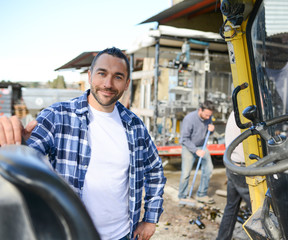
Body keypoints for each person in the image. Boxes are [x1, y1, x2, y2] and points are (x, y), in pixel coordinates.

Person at [0, 47, 166, 240]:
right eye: (102, 73)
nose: (108, 83)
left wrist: (150, 219)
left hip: (122, 234)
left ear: (127, 83)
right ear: (90, 75)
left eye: (118, 77)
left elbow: (154, 170)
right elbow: (23, 156)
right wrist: (13, 142)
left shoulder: (135, 125)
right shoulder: (57, 116)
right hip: (73, 233)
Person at [216, 111, 251, 240]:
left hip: (232, 165)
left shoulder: (234, 112)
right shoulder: (247, 112)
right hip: (243, 168)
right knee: (259, 209)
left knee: (231, 207)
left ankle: (222, 238)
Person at [178, 100, 215, 204]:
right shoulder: (189, 119)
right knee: (186, 173)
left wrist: (211, 130)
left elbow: (209, 132)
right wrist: (195, 150)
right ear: (200, 110)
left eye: (210, 115)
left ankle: (201, 194)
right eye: (206, 115)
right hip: (189, 147)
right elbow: (184, 139)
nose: (208, 117)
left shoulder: (208, 117)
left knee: (208, 169)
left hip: (202, 146)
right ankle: (182, 196)